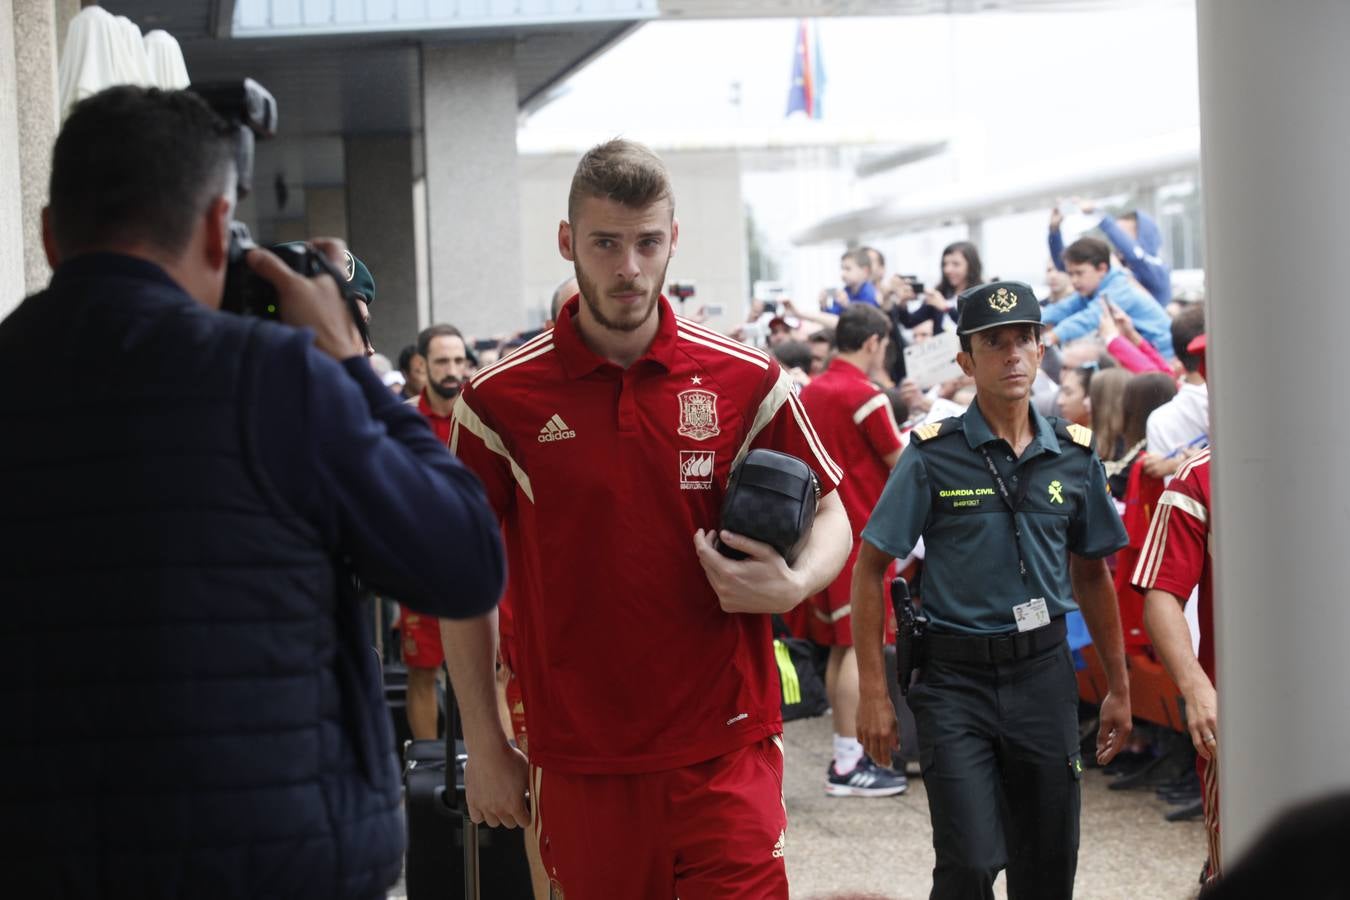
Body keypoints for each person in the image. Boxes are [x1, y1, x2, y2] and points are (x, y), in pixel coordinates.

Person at [0, 85, 505, 899]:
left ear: (52, 234)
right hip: (276, 856)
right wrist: (347, 360)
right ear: (215, 228)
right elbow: (463, 560)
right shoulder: (272, 378)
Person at [442, 138, 852, 899]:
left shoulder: (745, 377)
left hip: (726, 745)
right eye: (605, 243)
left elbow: (834, 512)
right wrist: (484, 738)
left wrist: (793, 584)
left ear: (673, 241)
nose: (628, 268)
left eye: (646, 242)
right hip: (580, 756)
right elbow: (459, 580)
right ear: (567, 242)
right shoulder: (498, 402)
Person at [853, 281, 1133, 900]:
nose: (1012, 355)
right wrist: (874, 692)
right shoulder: (932, 455)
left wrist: (1118, 685)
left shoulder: (1073, 455)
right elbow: (871, 567)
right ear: (965, 361)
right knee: (971, 862)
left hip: (1043, 677)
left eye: (1024, 340)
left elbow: (1093, 573)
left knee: (1050, 863)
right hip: (956, 685)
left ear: (1041, 350)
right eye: (994, 343)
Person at [798, 304, 908, 798]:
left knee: (843, 646)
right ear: (873, 342)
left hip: (818, 531)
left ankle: (848, 756)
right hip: (861, 534)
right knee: (857, 647)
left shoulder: (810, 390)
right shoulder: (866, 396)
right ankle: (849, 761)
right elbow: (902, 462)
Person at [388, 323, 472, 742]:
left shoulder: (482, 412)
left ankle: (500, 766)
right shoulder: (401, 420)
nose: (453, 370)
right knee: (423, 671)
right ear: (422, 365)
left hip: (482, 564)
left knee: (499, 666)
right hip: (422, 565)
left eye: (459, 360)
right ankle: (424, 763)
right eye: (443, 361)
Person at [1042, 237, 1175, 358]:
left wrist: (1052, 337)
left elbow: (1090, 318)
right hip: (1143, 351)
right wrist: (1033, 317)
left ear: (1102, 269)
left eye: (1079, 273)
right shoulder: (1091, 291)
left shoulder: (1119, 290)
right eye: (1071, 274)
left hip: (1164, 355)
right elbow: (1063, 308)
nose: (1074, 280)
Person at [1050, 200, 1172, 305]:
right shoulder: (1117, 265)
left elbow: (1135, 256)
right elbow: (1066, 266)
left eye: (1122, 234)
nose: (1117, 240)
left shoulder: (1158, 269)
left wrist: (1099, 215)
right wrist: (1054, 230)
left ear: (1144, 235)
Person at [929, 240, 983, 313]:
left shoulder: (981, 296)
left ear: (971, 266)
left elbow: (972, 323)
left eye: (956, 264)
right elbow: (911, 321)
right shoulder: (940, 292)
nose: (947, 270)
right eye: (945, 264)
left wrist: (946, 308)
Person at [822, 247, 878, 313]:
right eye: (842, 269)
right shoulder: (847, 290)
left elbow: (863, 318)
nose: (843, 274)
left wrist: (847, 305)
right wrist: (826, 304)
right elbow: (835, 313)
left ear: (865, 271)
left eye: (848, 269)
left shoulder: (869, 293)